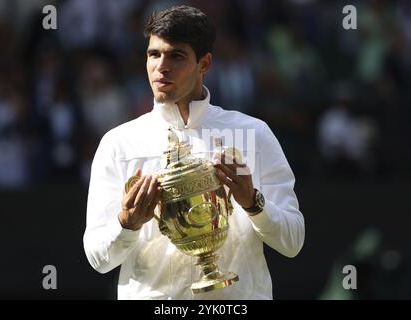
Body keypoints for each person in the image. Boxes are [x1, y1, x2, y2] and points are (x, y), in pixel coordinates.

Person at [83, 5, 305, 300]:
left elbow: (293, 241)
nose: (161, 66)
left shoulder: (253, 134)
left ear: (205, 63)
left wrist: (253, 203)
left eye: (176, 56)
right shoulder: (119, 144)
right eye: (153, 54)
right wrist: (127, 223)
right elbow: (98, 258)